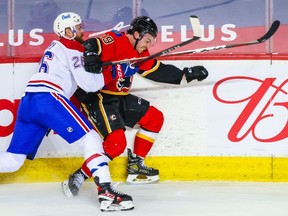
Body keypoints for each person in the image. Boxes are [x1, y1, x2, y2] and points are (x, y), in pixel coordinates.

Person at [0, 12, 134, 212]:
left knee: (13, 160)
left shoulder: (55, 47)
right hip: (48, 99)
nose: (82, 30)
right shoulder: (71, 46)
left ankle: (106, 192)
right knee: (91, 139)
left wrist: (96, 66)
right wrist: (113, 72)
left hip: (29, 101)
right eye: (78, 27)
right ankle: (107, 194)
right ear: (68, 31)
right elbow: (89, 84)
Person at [63, 16, 208, 195]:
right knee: (116, 144)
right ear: (137, 34)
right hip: (98, 96)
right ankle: (79, 175)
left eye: (151, 42)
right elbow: (91, 44)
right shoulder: (116, 40)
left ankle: (136, 165)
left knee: (154, 118)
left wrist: (187, 74)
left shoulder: (140, 53)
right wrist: (91, 56)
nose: (148, 45)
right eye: (147, 40)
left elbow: (157, 70)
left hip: (118, 96)